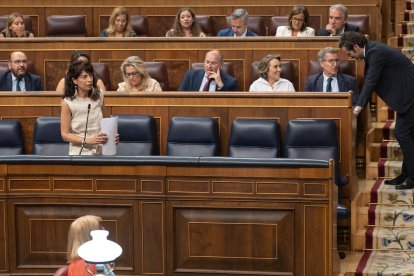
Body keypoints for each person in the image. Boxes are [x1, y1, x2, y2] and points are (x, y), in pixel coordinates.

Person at [339, 31, 414, 189]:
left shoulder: (376, 52)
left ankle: (411, 177)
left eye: (349, 53)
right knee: (406, 135)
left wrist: (358, 106)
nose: (350, 57)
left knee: (403, 134)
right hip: (406, 97)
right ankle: (406, 174)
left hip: (410, 96)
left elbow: (371, 80)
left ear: (356, 47)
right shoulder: (372, 50)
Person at [60, 60, 118, 155]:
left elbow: (107, 123)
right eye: (84, 77)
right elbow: (65, 135)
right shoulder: (68, 102)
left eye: (90, 75)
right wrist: (88, 140)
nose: (89, 80)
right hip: (79, 152)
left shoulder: (99, 96)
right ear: (75, 80)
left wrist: (112, 136)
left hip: (100, 151)